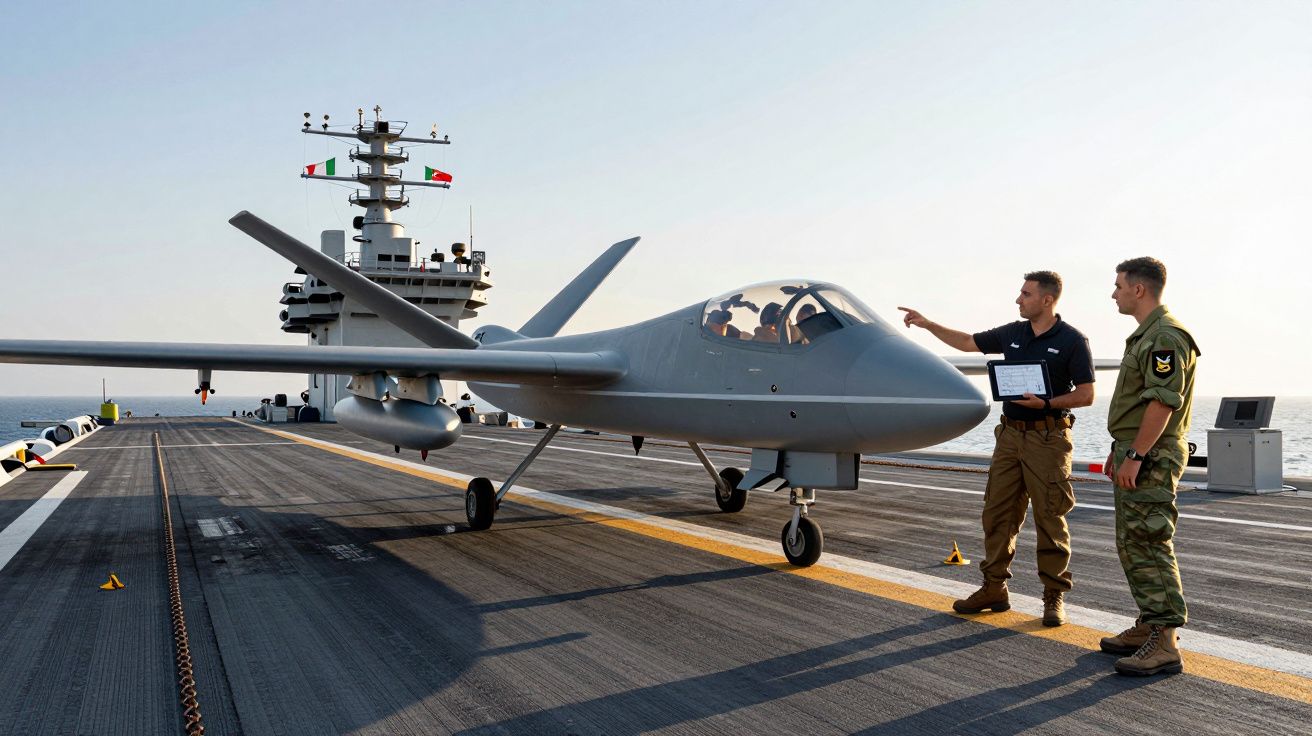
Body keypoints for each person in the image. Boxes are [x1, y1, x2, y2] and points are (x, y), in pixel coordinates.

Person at [899, 271, 1095, 626]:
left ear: (1047, 300)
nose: (1018, 299)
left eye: (1025, 294)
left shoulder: (1072, 341)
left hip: (1048, 439)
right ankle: (993, 588)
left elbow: (1086, 394)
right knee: (998, 514)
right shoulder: (1013, 333)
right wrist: (927, 324)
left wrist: (1048, 403)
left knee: (1050, 517)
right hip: (1009, 436)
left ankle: (1053, 596)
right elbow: (966, 342)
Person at [1098, 257, 1200, 676]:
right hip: (1136, 450)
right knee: (1133, 542)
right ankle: (1148, 624)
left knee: (1150, 540)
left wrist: (1137, 455)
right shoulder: (1146, 335)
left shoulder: (1164, 337)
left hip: (1152, 456)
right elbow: (1138, 405)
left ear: (1139, 289)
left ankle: (1165, 642)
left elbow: (1161, 402)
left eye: (1119, 285)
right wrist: (1120, 449)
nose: (1114, 292)